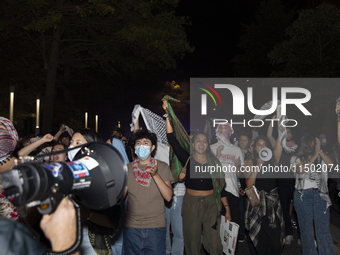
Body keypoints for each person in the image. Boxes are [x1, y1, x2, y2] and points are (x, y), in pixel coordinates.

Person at [163, 101, 225, 255]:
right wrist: (167, 114)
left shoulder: (214, 161)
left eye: (205, 141)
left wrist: (226, 206)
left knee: (215, 243)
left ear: (207, 144)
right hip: (191, 205)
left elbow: (219, 185)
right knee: (192, 242)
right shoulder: (187, 158)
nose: (202, 143)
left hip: (211, 205)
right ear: (193, 143)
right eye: (199, 140)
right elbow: (171, 137)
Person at [123, 129, 174, 255]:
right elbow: (119, 197)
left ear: (152, 148)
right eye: (138, 143)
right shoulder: (127, 169)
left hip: (155, 227)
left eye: (146, 143)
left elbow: (168, 197)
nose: (141, 146)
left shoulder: (162, 167)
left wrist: (155, 175)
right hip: (132, 227)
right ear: (134, 147)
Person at [244, 134, 284, 255]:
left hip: (272, 205)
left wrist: (279, 121)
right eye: (259, 144)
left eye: (264, 144)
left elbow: (280, 142)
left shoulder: (274, 160)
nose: (262, 147)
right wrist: (258, 165)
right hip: (257, 205)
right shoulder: (250, 161)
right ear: (255, 148)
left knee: (275, 243)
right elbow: (249, 184)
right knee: (260, 242)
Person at [210, 123, 244, 253]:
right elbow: (210, 171)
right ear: (217, 131)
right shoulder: (211, 148)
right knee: (216, 225)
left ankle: (233, 251)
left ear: (231, 132)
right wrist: (217, 156)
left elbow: (239, 174)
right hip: (216, 192)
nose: (224, 131)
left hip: (232, 190)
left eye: (226, 129)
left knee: (233, 225)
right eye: (221, 129)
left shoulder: (236, 149)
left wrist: (237, 166)